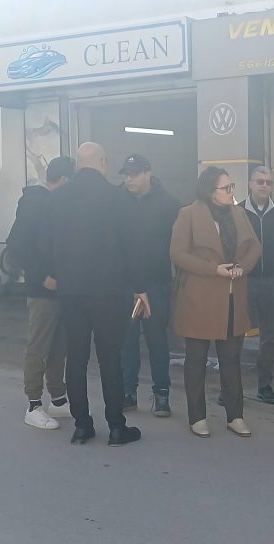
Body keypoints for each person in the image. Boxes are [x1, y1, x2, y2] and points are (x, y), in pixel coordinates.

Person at [41, 142, 150, 447]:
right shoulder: (118, 198)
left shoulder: (57, 198)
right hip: (108, 291)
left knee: (76, 358)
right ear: (103, 163)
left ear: (78, 165)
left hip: (71, 291)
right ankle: (116, 426)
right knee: (110, 358)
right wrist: (139, 286)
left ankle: (82, 426)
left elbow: (44, 241)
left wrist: (55, 272)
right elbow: (133, 245)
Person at [170, 167, 261, 438]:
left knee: (231, 359)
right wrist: (213, 269)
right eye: (226, 188)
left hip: (233, 297)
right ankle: (197, 417)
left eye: (232, 187)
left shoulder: (238, 213)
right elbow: (177, 254)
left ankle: (235, 415)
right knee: (196, 360)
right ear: (211, 191)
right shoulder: (188, 214)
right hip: (199, 298)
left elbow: (255, 247)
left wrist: (243, 267)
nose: (231, 192)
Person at [8, 155, 76, 430]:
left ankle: (58, 399)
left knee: (59, 346)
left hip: (61, 288)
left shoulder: (55, 203)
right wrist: (42, 276)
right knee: (39, 346)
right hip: (42, 290)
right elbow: (17, 246)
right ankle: (33, 404)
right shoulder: (34, 204)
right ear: (64, 180)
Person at [118, 154, 182, 417]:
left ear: (148, 173)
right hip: (126, 285)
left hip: (156, 284)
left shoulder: (169, 205)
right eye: (126, 174)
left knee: (157, 341)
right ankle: (128, 392)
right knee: (127, 340)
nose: (129, 179)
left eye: (133, 174)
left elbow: (178, 245)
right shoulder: (118, 202)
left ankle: (162, 394)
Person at [239, 165, 274, 404]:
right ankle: (229, 387)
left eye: (268, 182)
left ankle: (264, 385)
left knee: (269, 338)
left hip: (271, 282)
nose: (264, 186)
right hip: (243, 281)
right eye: (260, 181)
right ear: (250, 184)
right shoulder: (236, 212)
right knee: (234, 336)